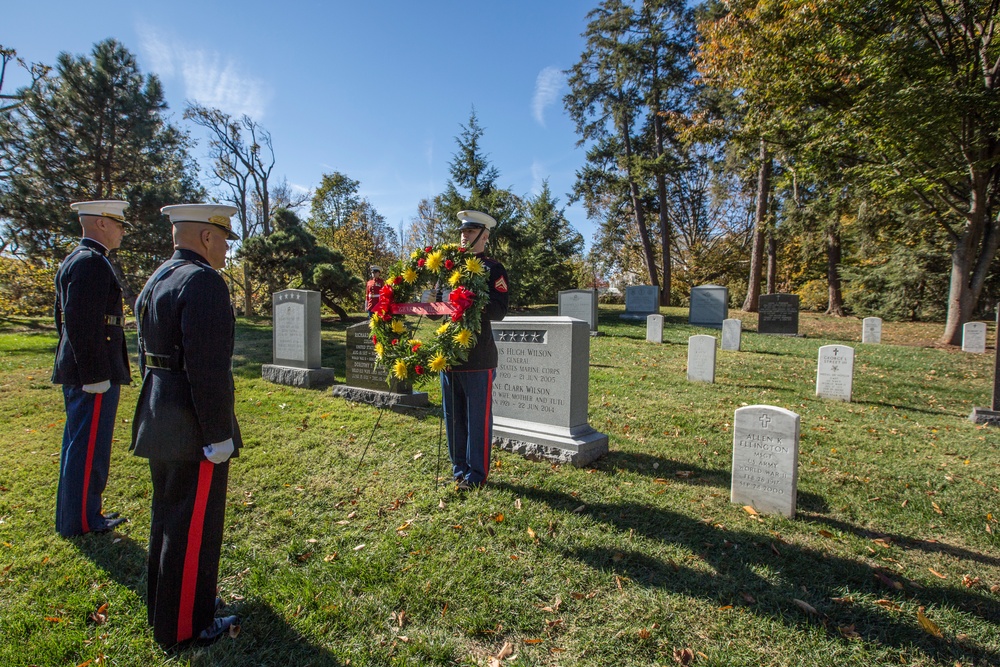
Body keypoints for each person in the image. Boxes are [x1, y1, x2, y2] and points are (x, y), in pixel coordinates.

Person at [131, 203, 242, 648]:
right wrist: (217, 434)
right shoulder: (203, 283)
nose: (226, 252)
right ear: (205, 238)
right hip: (193, 422)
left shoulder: (159, 278)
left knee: (168, 515)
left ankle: (172, 599)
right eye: (223, 241)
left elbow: (148, 355)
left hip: (161, 412)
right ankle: (184, 625)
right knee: (193, 524)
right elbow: (207, 369)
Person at [52, 200, 132, 537]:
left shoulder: (78, 259)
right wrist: (95, 373)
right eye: (118, 224)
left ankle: (80, 511)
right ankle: (84, 520)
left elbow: (64, 319)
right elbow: (80, 323)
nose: (122, 231)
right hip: (94, 372)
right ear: (101, 223)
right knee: (87, 447)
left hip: (85, 368)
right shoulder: (91, 262)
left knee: (79, 443)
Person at [442, 210, 508, 490]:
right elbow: (438, 311)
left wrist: (470, 301)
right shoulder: (449, 268)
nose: (463, 235)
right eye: (462, 231)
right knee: (453, 418)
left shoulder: (493, 269)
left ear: (484, 236)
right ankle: (459, 469)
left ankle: (476, 475)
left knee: (477, 420)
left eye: (470, 232)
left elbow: (499, 311)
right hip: (448, 356)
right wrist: (432, 302)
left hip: (478, 356)